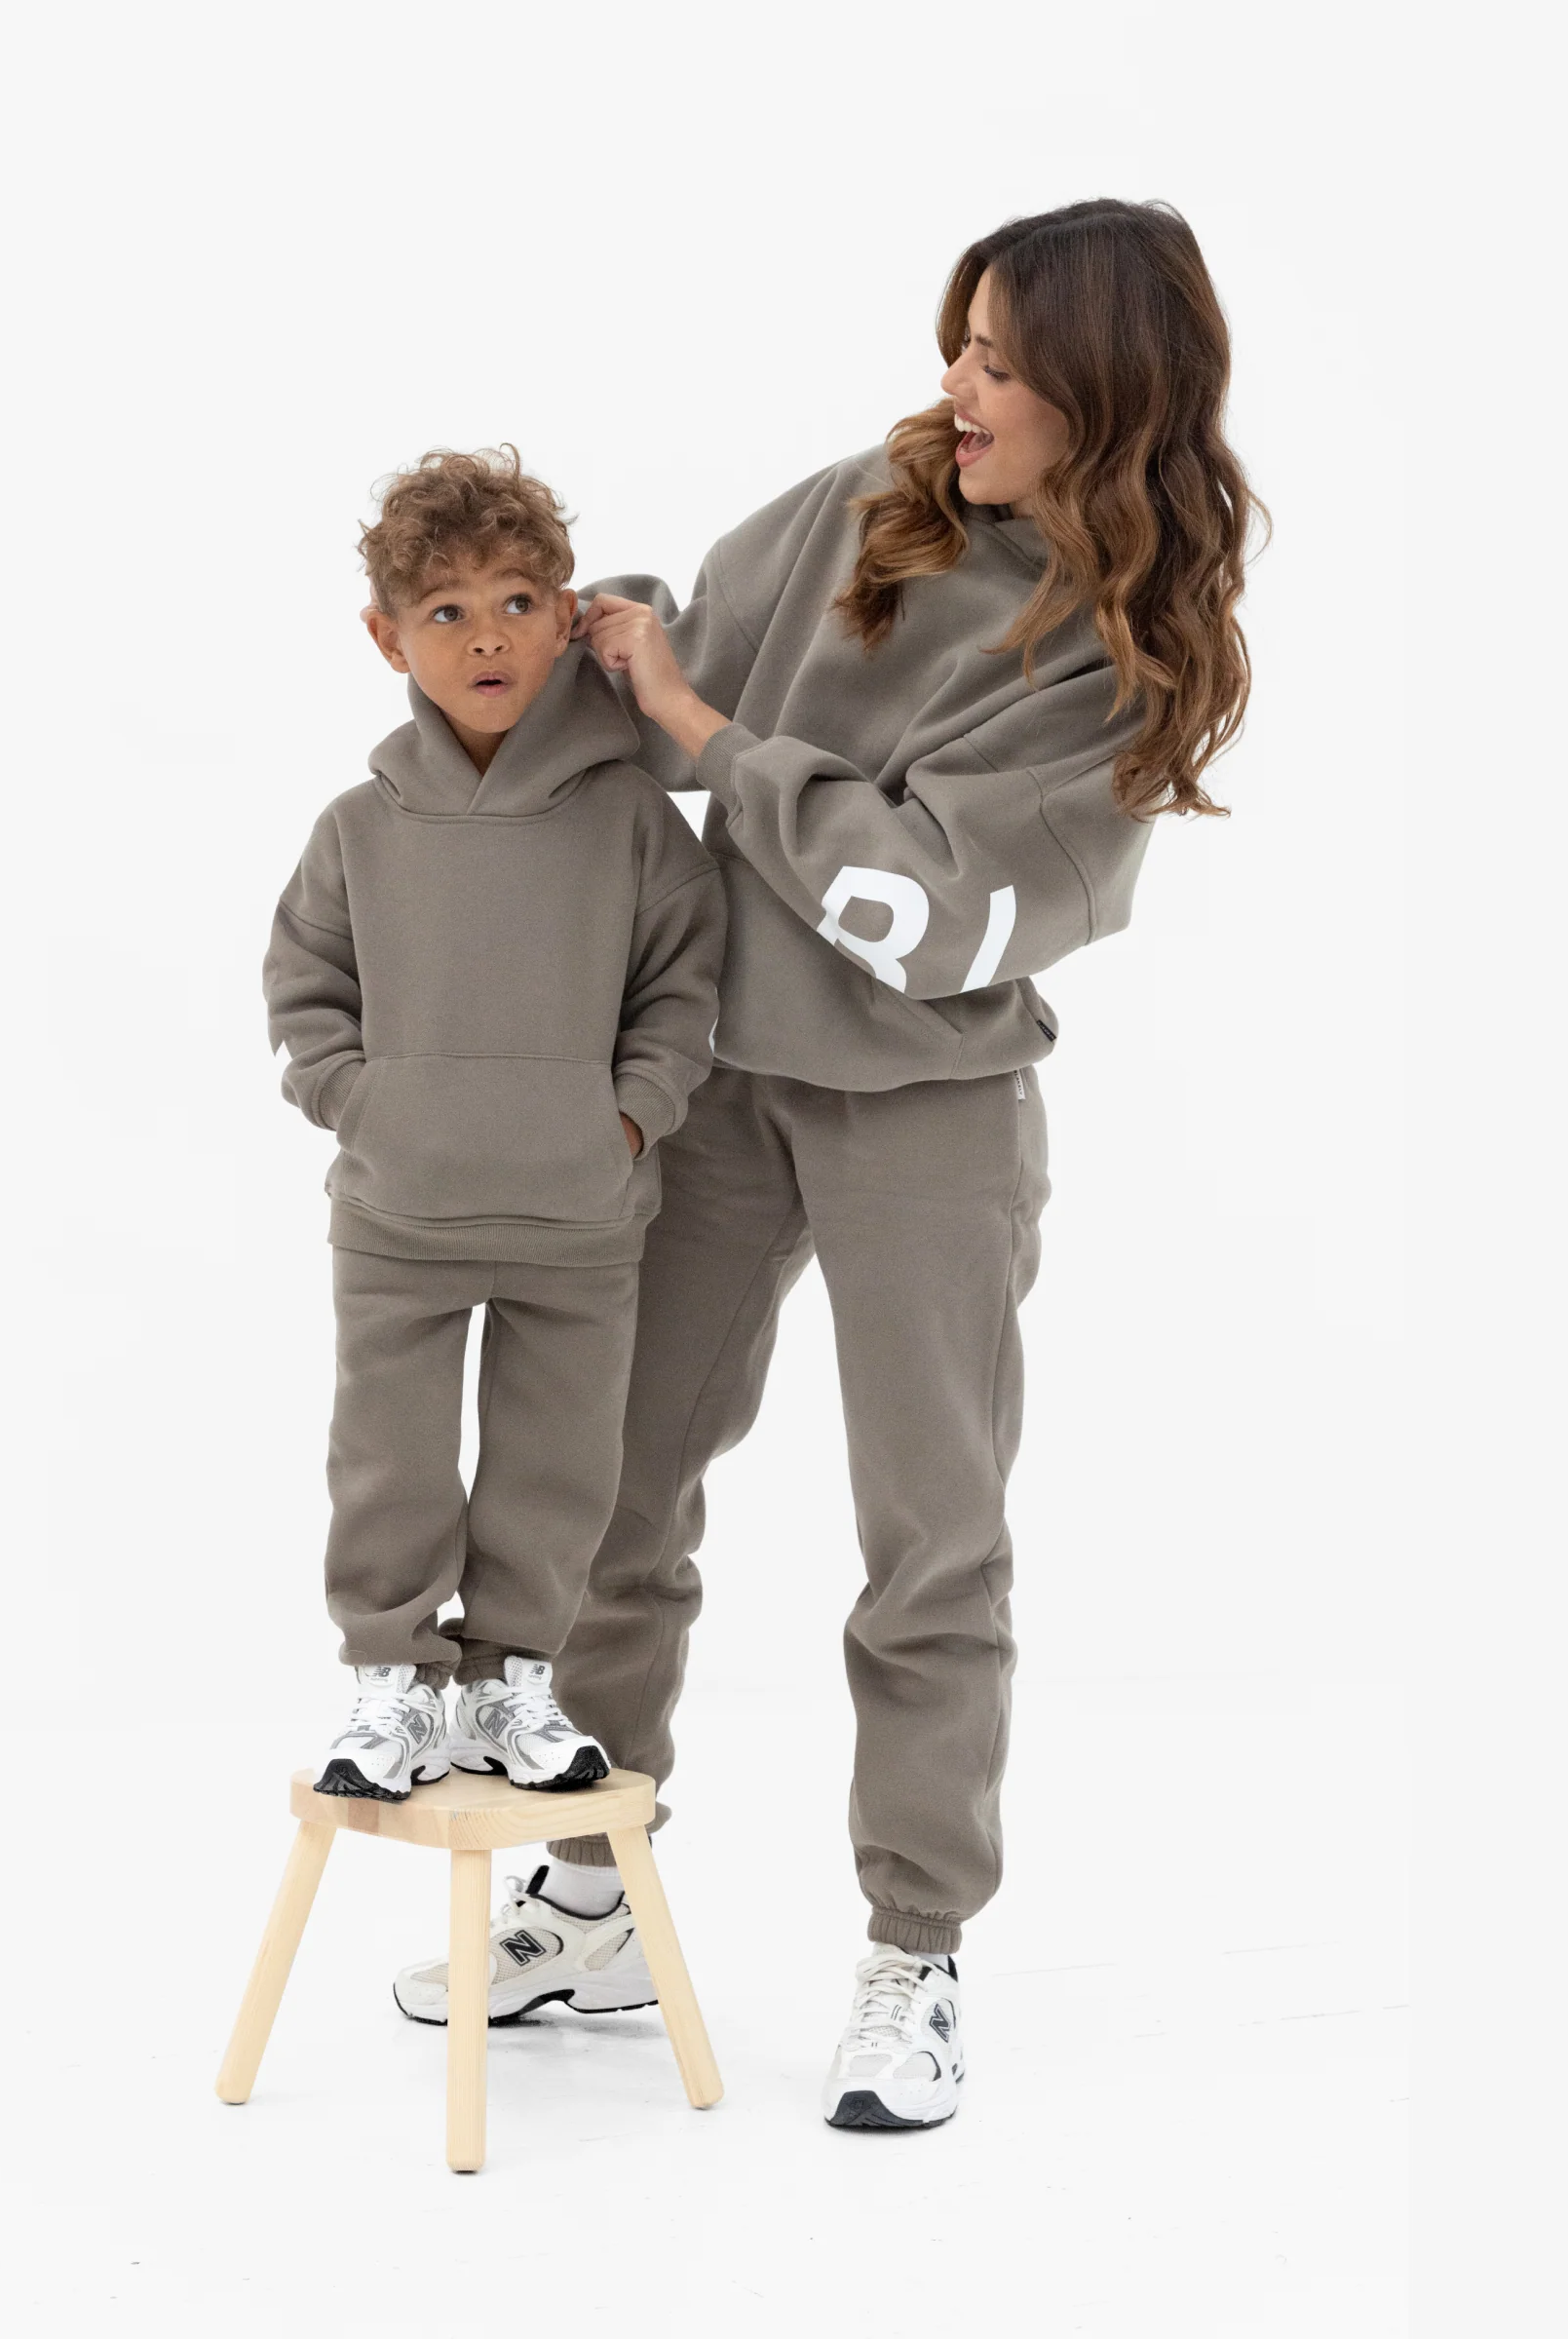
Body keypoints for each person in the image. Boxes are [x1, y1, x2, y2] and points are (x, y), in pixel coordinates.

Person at [395, 201, 1265, 2128]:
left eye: (1000, 363)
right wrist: (526, 619)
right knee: (613, 1493)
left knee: (928, 1545)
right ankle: (595, 1892)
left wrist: (718, 737)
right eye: (959, 341)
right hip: (723, 1082)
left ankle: (916, 1949)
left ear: (1104, 395)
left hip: (928, 1114)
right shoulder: (865, 511)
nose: (955, 386)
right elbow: (664, 674)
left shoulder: (1123, 660)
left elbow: (925, 911)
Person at [263, 447, 725, 1810]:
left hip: (582, 1215)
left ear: (567, 616)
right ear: (387, 636)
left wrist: (626, 1124)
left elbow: (682, 990)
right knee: (388, 1461)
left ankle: (512, 1681)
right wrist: (365, 1107)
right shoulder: (358, 828)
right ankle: (393, 1682)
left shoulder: (635, 821)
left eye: (520, 603)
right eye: (447, 610)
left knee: (559, 1464)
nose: (487, 638)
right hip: (398, 1214)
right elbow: (305, 990)